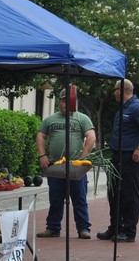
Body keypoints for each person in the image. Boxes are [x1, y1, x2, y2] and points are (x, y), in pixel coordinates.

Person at [98, 79, 139, 243]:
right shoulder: (123, 108)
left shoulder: (136, 107)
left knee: (128, 194)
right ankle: (115, 227)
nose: (113, 93)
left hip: (130, 157)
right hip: (117, 155)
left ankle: (129, 231)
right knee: (114, 193)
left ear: (120, 90)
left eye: (114, 90)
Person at [36, 89, 96, 239]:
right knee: (55, 198)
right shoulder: (50, 120)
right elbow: (40, 135)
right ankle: (53, 228)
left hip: (76, 166)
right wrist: (42, 155)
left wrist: (83, 157)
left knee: (79, 198)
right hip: (55, 165)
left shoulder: (82, 119)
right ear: (60, 102)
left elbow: (91, 136)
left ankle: (83, 228)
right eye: (63, 101)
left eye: (69, 101)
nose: (66, 104)